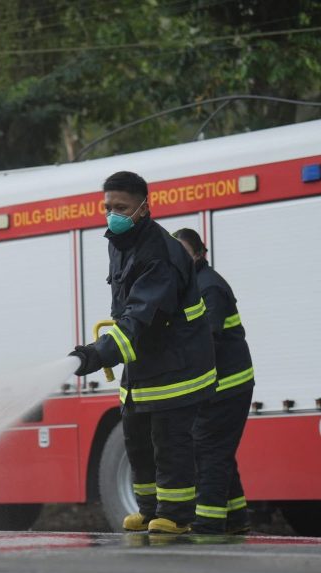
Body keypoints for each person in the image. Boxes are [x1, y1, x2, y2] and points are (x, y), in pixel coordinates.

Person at [70, 171, 215, 534]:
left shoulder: (161, 253)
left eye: (121, 207)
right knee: (137, 441)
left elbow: (140, 317)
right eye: (108, 207)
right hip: (143, 366)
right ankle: (149, 510)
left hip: (176, 369)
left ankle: (176, 516)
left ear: (144, 207)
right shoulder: (120, 244)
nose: (112, 215)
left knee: (169, 442)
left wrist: (98, 353)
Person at [173, 228, 255, 534]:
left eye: (183, 252)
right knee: (217, 451)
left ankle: (208, 522)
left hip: (228, 387)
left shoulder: (209, 287)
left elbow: (207, 336)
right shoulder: (196, 284)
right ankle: (235, 519)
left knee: (208, 450)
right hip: (220, 386)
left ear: (199, 254)